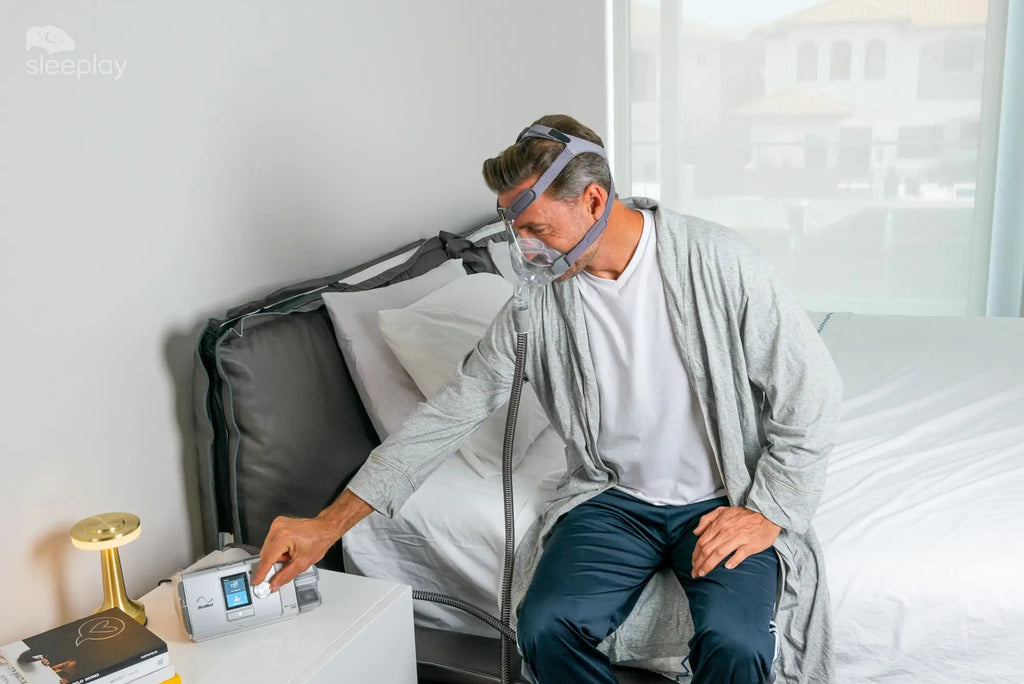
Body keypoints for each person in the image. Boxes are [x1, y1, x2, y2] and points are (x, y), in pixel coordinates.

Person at [253, 114, 843, 684]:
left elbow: (811, 392)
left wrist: (768, 512)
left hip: (721, 498)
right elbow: (450, 412)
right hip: (615, 500)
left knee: (737, 644)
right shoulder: (538, 306)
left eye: (537, 228)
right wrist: (327, 524)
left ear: (593, 200)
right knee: (544, 626)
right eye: (517, 232)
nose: (527, 250)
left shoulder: (717, 261)